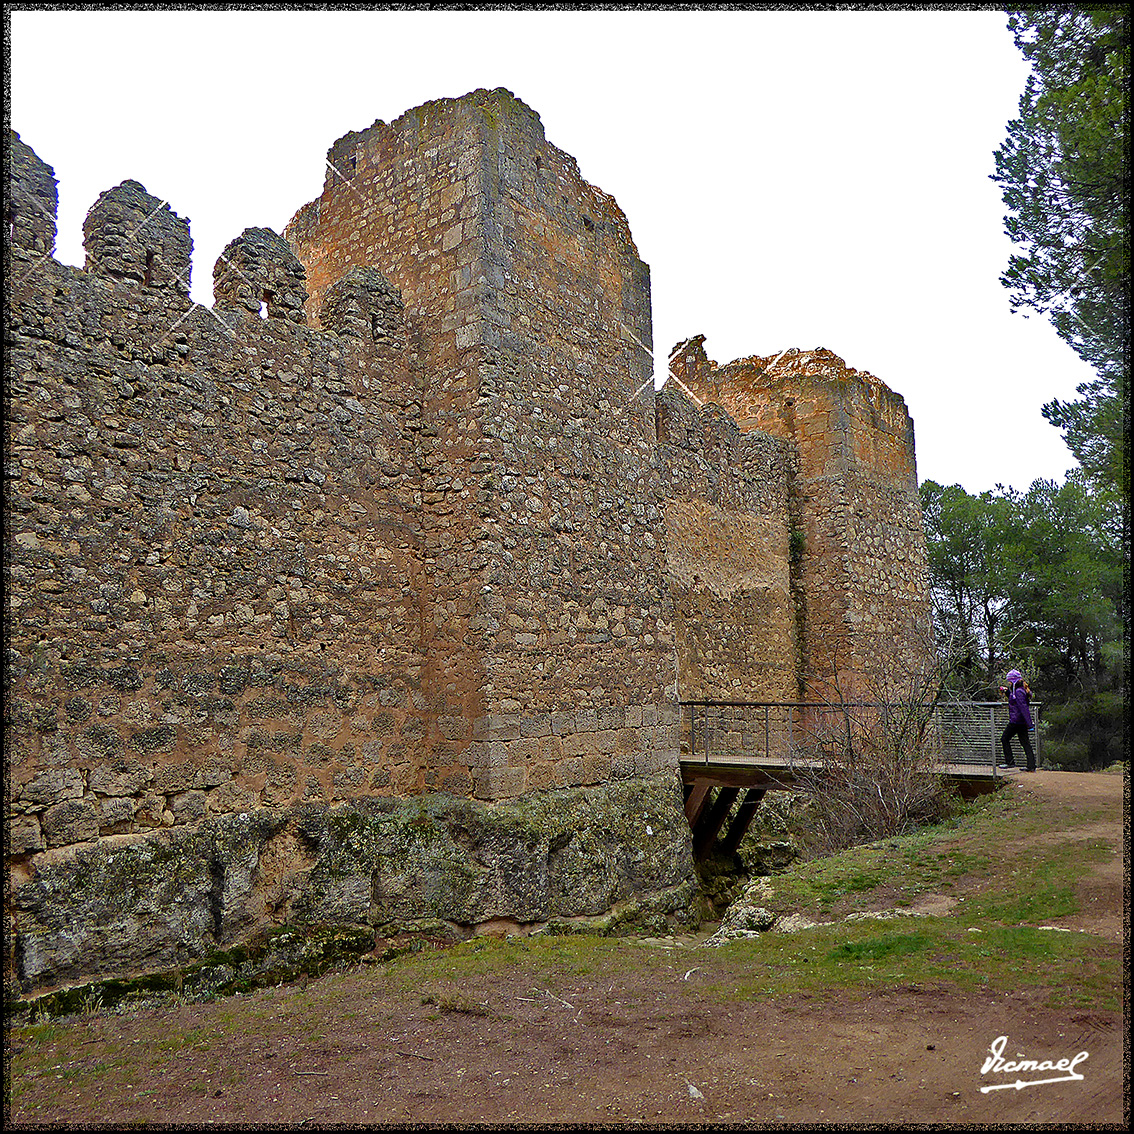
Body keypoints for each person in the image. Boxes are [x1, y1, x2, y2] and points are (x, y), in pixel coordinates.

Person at [999, 669, 1036, 772]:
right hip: (1021, 721)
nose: (1008, 683)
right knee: (1025, 743)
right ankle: (1031, 765)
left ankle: (1010, 762)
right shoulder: (1019, 691)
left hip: (1016, 721)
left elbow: (1023, 708)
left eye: (1009, 681)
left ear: (1014, 681)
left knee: (1004, 739)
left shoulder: (1018, 692)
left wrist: (1030, 724)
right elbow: (1014, 700)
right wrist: (1007, 692)